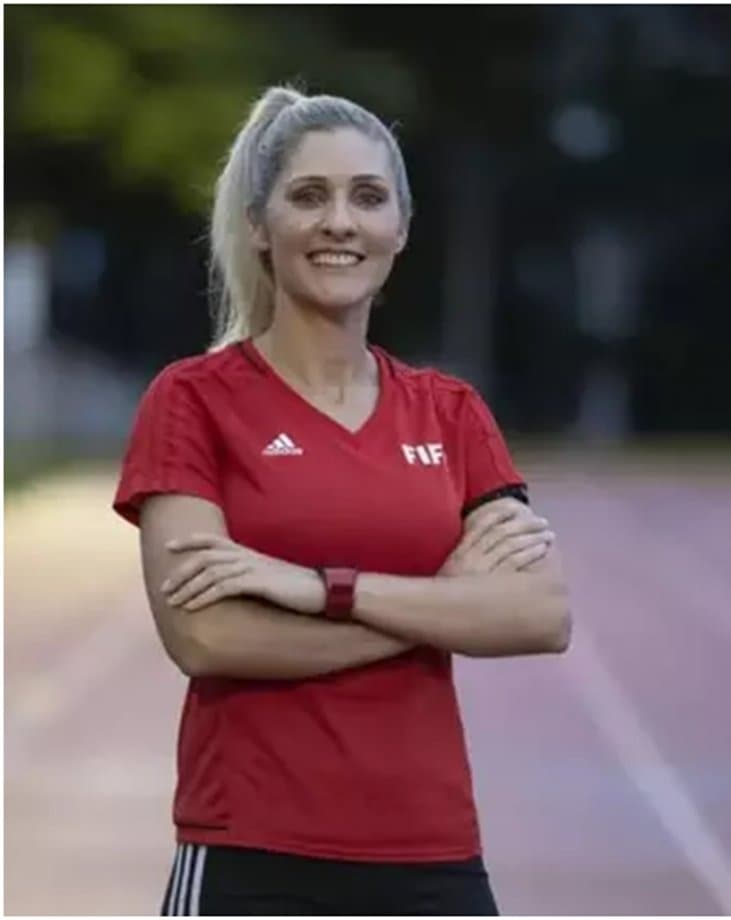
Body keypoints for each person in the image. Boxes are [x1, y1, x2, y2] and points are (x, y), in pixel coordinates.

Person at [112, 85, 572, 916]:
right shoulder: (192, 401)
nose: (340, 222)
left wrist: (321, 590)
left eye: (368, 197)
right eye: (308, 196)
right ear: (260, 225)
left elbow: (539, 615)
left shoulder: (451, 411)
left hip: (432, 849)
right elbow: (207, 635)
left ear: (400, 228)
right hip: (253, 848)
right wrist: (439, 604)